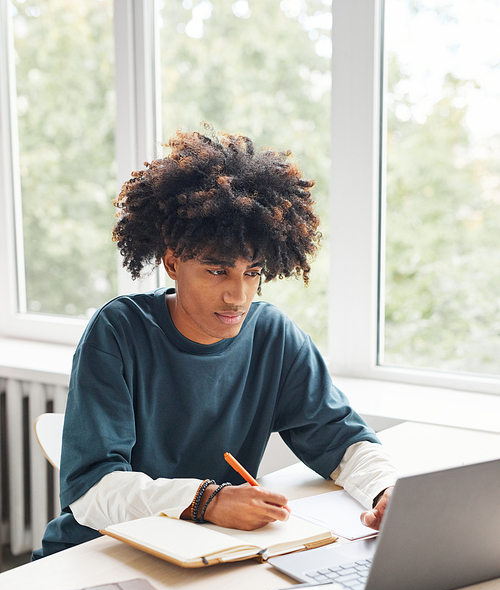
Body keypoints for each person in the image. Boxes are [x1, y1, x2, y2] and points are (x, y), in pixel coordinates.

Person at [34, 127, 397, 559]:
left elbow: (343, 439)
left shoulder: (272, 337)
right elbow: (94, 489)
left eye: (252, 272)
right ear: (172, 262)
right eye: (216, 271)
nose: (238, 296)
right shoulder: (118, 331)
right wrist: (208, 501)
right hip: (100, 553)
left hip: (208, 553)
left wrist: (386, 490)